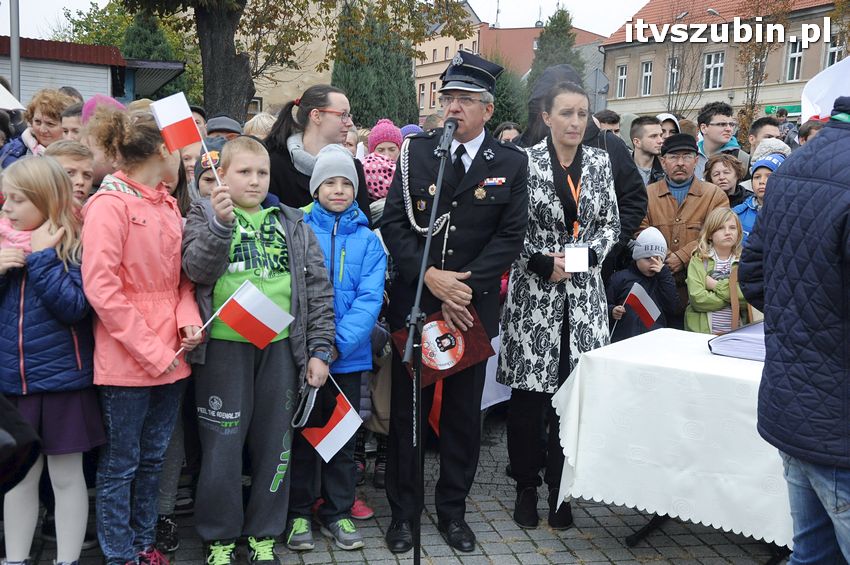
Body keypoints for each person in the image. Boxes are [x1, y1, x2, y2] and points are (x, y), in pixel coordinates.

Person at [381, 51, 529, 554]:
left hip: (471, 307)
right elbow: (396, 226)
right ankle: (404, 514)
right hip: (419, 304)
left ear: (488, 109)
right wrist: (432, 280)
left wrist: (462, 288)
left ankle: (453, 512)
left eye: (465, 100)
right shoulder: (416, 153)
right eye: (448, 98)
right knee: (410, 417)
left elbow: (511, 236)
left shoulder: (510, 163)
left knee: (464, 417)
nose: (453, 108)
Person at [181, 136, 335, 565]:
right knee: (222, 446)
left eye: (261, 172)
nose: (254, 181)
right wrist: (219, 225)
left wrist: (321, 349)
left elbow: (318, 290)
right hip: (225, 351)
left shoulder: (292, 221)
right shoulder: (202, 213)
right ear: (222, 177)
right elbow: (195, 269)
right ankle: (220, 537)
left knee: (275, 444)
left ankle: (264, 533)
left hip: (281, 348)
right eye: (244, 172)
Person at [81, 107, 203, 565]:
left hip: (172, 356)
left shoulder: (167, 204)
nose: (184, 162)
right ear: (160, 150)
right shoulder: (109, 205)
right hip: (129, 360)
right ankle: (120, 553)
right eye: (179, 151)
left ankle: (142, 542)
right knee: (121, 464)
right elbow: (102, 289)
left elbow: (181, 283)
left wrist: (188, 319)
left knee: (152, 460)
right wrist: (154, 350)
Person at [498, 80, 620, 530]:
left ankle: (561, 490)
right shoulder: (522, 162)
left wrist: (573, 259)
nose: (575, 122)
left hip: (584, 298)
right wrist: (538, 262)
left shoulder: (601, 163)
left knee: (571, 401)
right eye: (566, 113)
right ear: (546, 117)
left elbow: (610, 225)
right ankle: (526, 488)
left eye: (582, 114)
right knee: (529, 401)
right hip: (534, 296)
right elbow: (509, 226)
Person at [740, 96, 850, 564]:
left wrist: (801, 317)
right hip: (837, 417)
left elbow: (754, 276)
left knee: (811, 552)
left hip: (796, 400)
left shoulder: (796, 161)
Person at [1, 157, 104, 565]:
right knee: (19, 478)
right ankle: (15, 558)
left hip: (63, 383)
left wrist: (43, 260)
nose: (6, 207)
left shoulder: (74, 243)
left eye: (17, 200)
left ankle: (67, 560)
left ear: (45, 201)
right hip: (13, 383)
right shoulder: (4, 244)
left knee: (65, 477)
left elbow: (75, 308)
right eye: (5, 198)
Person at [286, 144, 386, 552]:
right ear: (315, 188)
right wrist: (313, 349)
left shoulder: (369, 240)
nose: (339, 190)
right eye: (330, 182)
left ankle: (338, 511)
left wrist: (333, 348)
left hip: (347, 359)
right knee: (303, 439)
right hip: (302, 356)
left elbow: (369, 300)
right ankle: (298, 513)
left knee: (341, 441)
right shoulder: (297, 228)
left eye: (347, 182)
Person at [638, 133, 728, 328]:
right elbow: (639, 231)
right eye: (673, 157)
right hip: (656, 287)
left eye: (687, 156)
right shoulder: (646, 194)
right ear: (662, 161)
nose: (680, 163)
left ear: (696, 160)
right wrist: (664, 255)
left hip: (700, 288)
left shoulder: (715, 195)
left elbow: (718, 233)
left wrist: (682, 256)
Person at [265, 85, 371, 219]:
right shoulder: (276, 164)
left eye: (349, 115)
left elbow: (363, 222)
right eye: (343, 115)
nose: (350, 123)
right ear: (316, 115)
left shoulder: (352, 166)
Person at [607, 227, 679, 342]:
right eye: (647, 259)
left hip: (655, 341)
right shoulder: (619, 278)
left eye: (658, 259)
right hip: (624, 340)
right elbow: (605, 304)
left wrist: (664, 274)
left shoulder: (663, 279)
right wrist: (612, 311)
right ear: (637, 257)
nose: (653, 263)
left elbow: (672, 306)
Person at [684, 207, 748, 334]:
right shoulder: (699, 260)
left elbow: (748, 298)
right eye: (720, 228)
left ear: (739, 233)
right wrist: (733, 297)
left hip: (737, 334)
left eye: (732, 228)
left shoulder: (744, 261)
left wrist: (714, 285)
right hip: (702, 334)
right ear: (710, 234)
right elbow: (698, 299)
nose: (727, 232)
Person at [734, 153, 785, 243]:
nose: (761, 181)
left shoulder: (791, 214)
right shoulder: (737, 214)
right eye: (757, 177)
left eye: (769, 176)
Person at [695, 101, 749, 180]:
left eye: (731, 124)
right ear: (703, 128)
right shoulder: (691, 155)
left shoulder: (742, 159)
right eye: (722, 124)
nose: (729, 129)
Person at [21, 89, 76, 156]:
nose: (42, 130)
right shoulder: (16, 153)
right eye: (37, 122)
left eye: (50, 124)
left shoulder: (80, 156)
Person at [630, 116, 664, 187]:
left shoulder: (667, 170)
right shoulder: (622, 171)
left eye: (661, 135)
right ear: (637, 142)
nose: (660, 141)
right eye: (653, 136)